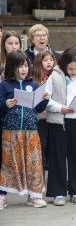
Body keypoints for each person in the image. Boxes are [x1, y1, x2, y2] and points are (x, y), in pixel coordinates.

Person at [45, 47, 76, 206]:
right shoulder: (55, 75)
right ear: (64, 64)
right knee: (57, 156)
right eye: (70, 68)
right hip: (59, 121)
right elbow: (46, 98)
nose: (73, 72)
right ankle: (58, 192)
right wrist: (61, 108)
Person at [0, 51, 49, 210]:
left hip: (31, 131)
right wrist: (7, 104)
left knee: (33, 163)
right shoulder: (4, 85)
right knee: (8, 164)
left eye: (26, 65)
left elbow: (39, 108)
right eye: (20, 66)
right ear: (11, 67)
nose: (24, 69)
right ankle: (2, 197)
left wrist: (44, 100)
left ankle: (34, 196)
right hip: (11, 132)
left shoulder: (33, 84)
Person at [32, 50, 56, 173]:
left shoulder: (55, 76)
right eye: (45, 60)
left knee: (52, 148)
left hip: (53, 116)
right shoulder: (34, 79)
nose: (49, 62)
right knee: (41, 145)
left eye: (51, 60)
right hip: (40, 118)